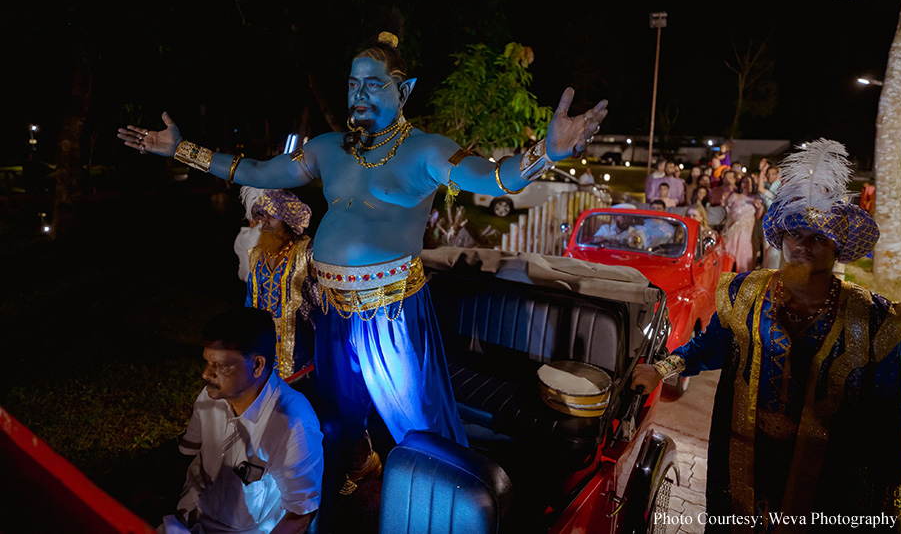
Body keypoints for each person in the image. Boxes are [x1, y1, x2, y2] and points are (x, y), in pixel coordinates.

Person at [119, 31, 607, 488]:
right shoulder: (327, 149)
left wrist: (546, 152)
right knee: (339, 412)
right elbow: (256, 170)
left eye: (374, 84)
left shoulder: (426, 151)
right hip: (332, 310)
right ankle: (357, 483)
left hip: (390, 313)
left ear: (404, 90)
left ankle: (452, 496)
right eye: (353, 84)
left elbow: (493, 178)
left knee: (418, 422)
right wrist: (181, 149)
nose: (360, 93)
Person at [631, 139, 901, 531]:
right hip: (744, 478)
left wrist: (889, 496)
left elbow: (887, 422)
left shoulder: (870, 319)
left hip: (829, 495)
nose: (804, 246)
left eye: (819, 238)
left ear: (838, 247)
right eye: (796, 234)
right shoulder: (745, 293)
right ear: (781, 238)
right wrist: (660, 370)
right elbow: (707, 348)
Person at [163, 308, 324, 534]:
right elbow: (186, 455)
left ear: (257, 365)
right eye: (207, 363)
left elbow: (300, 512)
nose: (206, 375)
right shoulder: (209, 398)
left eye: (220, 365)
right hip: (187, 520)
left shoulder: (293, 425)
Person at [240, 187, 320, 379]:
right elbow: (250, 299)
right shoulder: (257, 254)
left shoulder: (308, 251)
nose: (264, 222)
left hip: (300, 359)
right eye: (262, 216)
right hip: (261, 354)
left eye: (271, 217)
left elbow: (322, 302)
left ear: (287, 221)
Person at [722, 176, 764, 273]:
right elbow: (729, 213)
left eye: (748, 182)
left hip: (746, 232)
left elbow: (758, 217)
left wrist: (760, 207)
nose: (746, 184)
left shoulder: (756, 198)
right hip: (734, 230)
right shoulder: (734, 196)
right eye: (744, 182)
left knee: (744, 259)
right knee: (729, 256)